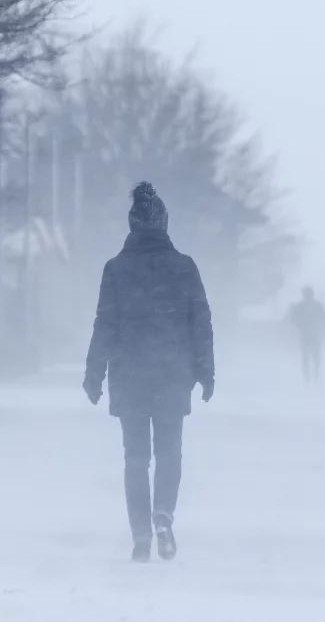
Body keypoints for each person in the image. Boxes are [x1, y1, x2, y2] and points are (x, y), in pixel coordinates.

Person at [84, 182, 215, 563]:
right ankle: (163, 515)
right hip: (173, 372)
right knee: (170, 450)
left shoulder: (116, 269)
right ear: (164, 223)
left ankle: (141, 533)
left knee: (136, 456)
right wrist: (206, 371)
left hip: (130, 374)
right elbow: (200, 322)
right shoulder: (185, 267)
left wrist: (94, 373)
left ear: (132, 224)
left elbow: (104, 324)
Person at [289, 286, 325, 383]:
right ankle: (309, 377)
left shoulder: (314, 305)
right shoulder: (302, 306)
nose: (308, 296)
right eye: (306, 294)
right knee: (308, 357)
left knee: (312, 356)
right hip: (308, 334)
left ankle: (313, 376)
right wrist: (299, 324)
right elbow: (293, 318)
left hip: (312, 334)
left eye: (308, 294)